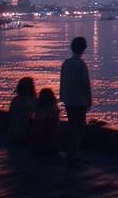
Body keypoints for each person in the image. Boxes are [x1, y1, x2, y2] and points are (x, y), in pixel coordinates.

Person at [60, 36, 91, 164]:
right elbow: (86, 84)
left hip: (68, 99)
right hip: (80, 100)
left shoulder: (66, 63)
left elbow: (62, 82)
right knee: (79, 126)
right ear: (83, 48)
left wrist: (62, 98)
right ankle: (75, 152)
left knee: (71, 124)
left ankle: (68, 151)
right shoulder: (81, 64)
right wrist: (89, 99)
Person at [30, 88, 61, 155]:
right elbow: (55, 126)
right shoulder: (53, 111)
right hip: (47, 145)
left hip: (34, 145)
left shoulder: (37, 110)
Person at [7, 77, 38, 144]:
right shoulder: (31, 101)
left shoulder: (14, 100)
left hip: (12, 133)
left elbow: (10, 115)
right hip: (25, 134)